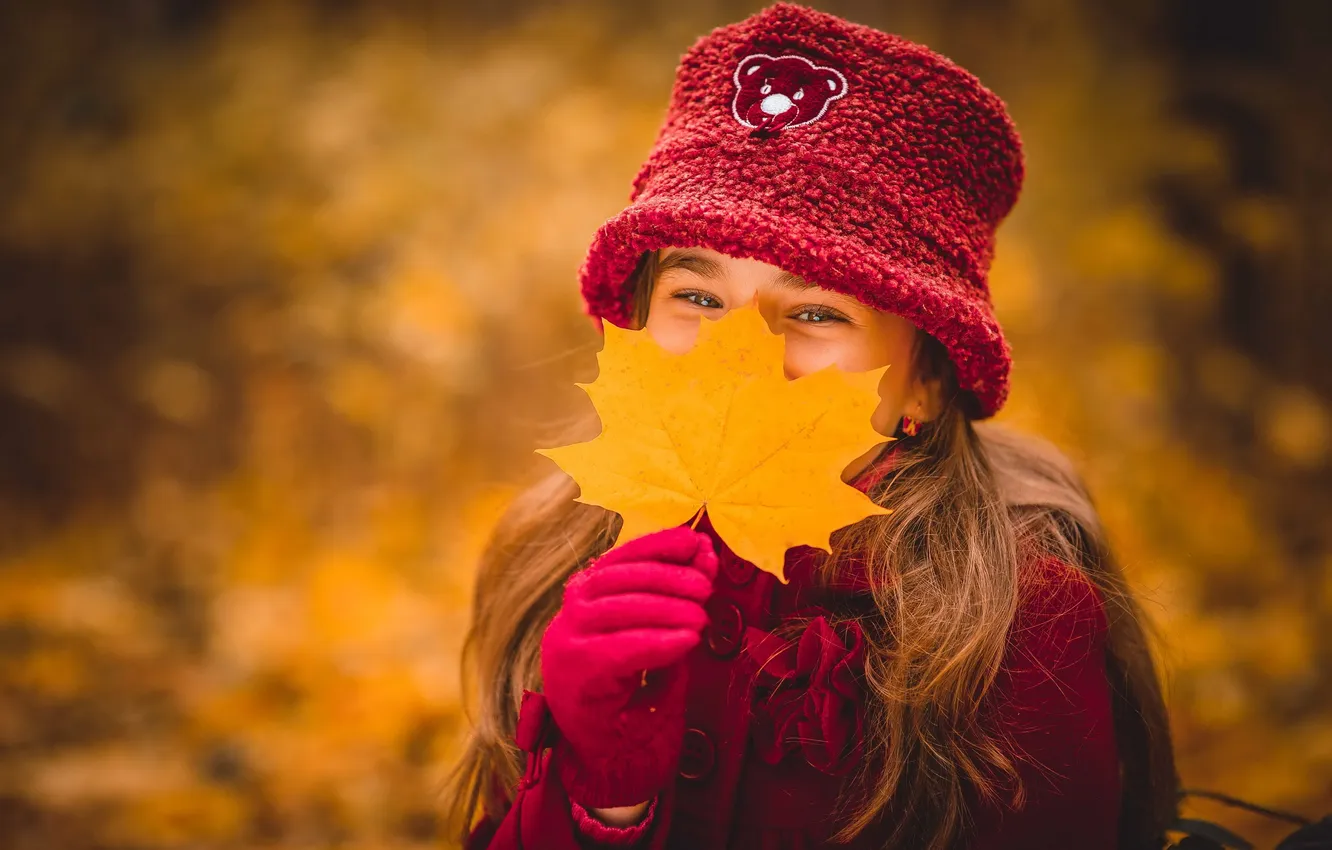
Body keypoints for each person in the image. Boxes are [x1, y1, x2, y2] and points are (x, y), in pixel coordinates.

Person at [444, 3, 1179, 848]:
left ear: (927, 386)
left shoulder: (1012, 619)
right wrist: (604, 801)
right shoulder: (554, 553)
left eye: (818, 311)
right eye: (698, 295)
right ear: (636, 323)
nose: (740, 351)